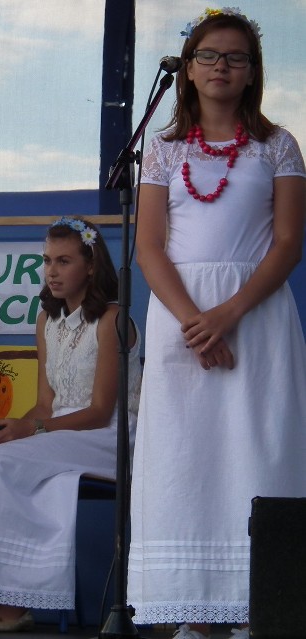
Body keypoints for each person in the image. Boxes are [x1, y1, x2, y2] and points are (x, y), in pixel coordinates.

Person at [126, 8, 306, 639]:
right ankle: (194, 613)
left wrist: (227, 315)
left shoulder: (277, 144)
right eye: (209, 56)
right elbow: (150, 246)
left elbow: (286, 244)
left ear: (253, 71)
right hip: (181, 315)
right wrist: (193, 323)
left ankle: (261, 605)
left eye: (235, 57)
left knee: (257, 449)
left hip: (255, 315)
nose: (222, 66)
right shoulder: (163, 149)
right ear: (189, 69)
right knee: (186, 457)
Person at [0, 217, 142, 632]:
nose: (51, 270)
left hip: (108, 435)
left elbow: (102, 411)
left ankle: (15, 601)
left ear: (90, 265)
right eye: (47, 260)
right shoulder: (46, 320)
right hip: (61, 432)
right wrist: (10, 425)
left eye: (63, 260)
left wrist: (31, 432)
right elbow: (45, 403)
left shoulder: (113, 319)